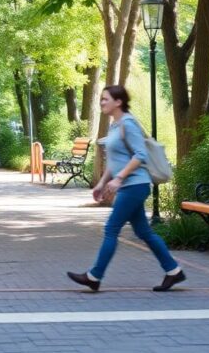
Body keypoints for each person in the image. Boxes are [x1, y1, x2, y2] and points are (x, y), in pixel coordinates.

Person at [67, 85, 186, 292]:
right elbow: (114, 161)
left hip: (135, 185)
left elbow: (140, 155)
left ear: (118, 102)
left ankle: (94, 276)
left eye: (106, 99)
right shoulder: (114, 126)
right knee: (144, 232)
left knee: (111, 229)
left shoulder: (129, 124)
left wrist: (119, 179)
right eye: (101, 99)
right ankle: (174, 271)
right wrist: (103, 183)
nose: (102, 102)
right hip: (128, 185)